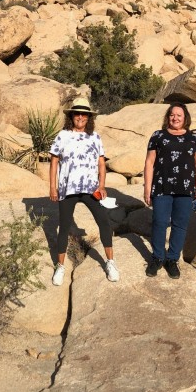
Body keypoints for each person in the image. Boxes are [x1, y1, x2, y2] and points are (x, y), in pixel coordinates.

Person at [48, 97, 119, 285]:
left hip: (90, 189)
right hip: (67, 188)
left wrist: (102, 185)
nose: (80, 117)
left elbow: (101, 163)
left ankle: (110, 262)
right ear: (72, 116)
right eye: (77, 113)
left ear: (89, 117)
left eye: (84, 114)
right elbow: (54, 161)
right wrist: (52, 187)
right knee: (63, 227)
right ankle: (60, 267)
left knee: (104, 222)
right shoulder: (62, 136)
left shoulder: (95, 137)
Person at [143, 103, 196, 279]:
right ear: (167, 117)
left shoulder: (194, 137)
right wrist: (147, 187)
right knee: (159, 222)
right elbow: (149, 162)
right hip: (162, 186)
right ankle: (157, 257)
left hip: (185, 189)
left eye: (179, 115)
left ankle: (172, 259)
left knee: (180, 225)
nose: (175, 118)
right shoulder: (158, 136)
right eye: (172, 115)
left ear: (185, 118)